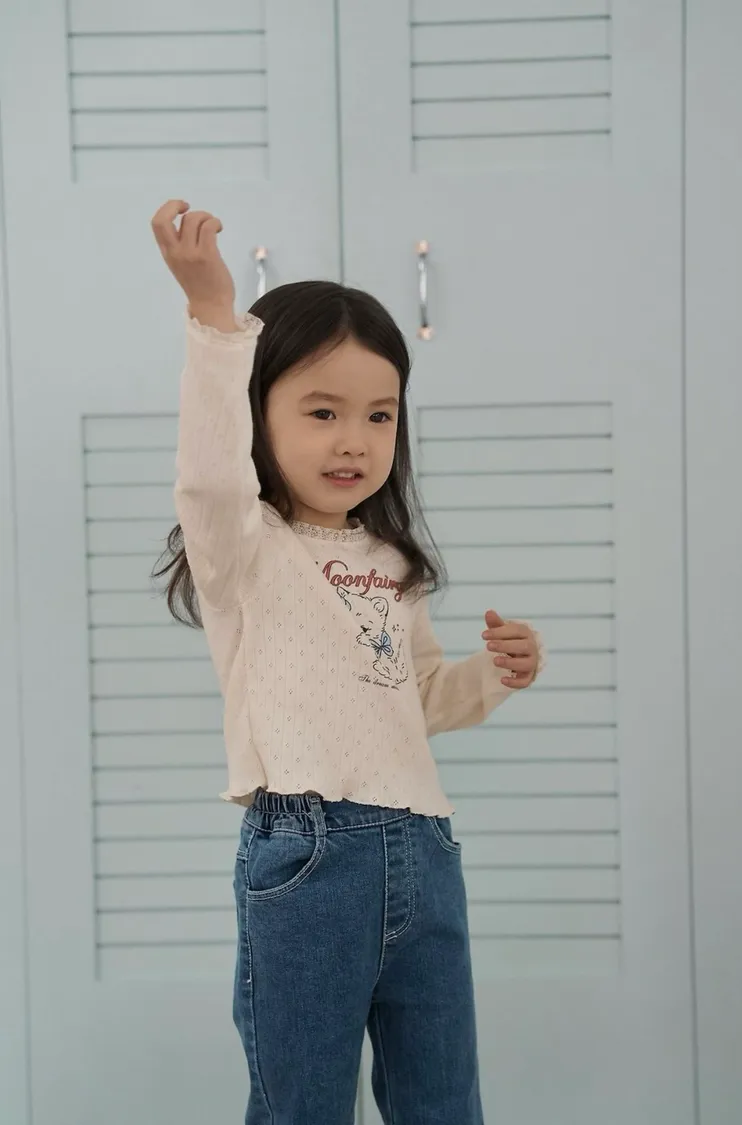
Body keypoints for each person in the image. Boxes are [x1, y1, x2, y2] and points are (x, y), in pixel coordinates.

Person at [150, 199, 544, 1125]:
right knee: (306, 1104)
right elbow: (209, 478)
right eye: (322, 411)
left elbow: (421, 697)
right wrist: (213, 317)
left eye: (378, 414)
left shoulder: (392, 562)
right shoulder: (244, 548)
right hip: (310, 857)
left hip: (425, 851)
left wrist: (497, 673)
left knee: (443, 1100)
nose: (354, 439)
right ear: (259, 416)